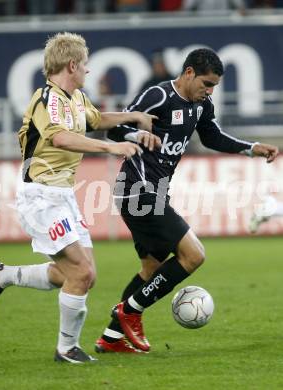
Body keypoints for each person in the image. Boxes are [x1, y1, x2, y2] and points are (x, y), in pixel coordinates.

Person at [0, 32, 159, 364]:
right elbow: (61, 138)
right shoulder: (46, 99)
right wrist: (110, 147)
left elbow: (96, 120)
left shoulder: (76, 98)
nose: (89, 71)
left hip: (63, 197)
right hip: (41, 197)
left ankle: (2, 276)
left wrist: (132, 118)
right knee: (82, 274)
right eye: (86, 65)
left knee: (73, 274)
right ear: (73, 64)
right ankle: (66, 349)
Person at [95, 48, 279, 353]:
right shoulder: (159, 95)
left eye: (214, 87)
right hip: (137, 189)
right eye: (206, 84)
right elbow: (114, 127)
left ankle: (110, 339)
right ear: (189, 73)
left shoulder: (201, 104)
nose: (209, 91)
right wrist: (137, 135)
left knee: (151, 270)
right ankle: (130, 311)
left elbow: (212, 137)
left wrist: (252, 147)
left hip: (155, 191)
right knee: (194, 255)